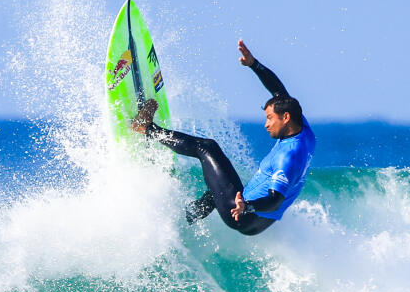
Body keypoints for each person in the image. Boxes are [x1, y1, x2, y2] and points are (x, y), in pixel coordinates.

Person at [131, 40, 315, 235]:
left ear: (285, 118)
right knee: (217, 187)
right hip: (254, 214)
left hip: (243, 217)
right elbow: (278, 91)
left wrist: (247, 206)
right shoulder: (303, 130)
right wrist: (254, 64)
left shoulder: (288, 156)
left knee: (206, 148)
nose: (266, 124)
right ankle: (187, 217)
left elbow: (275, 199)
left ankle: (146, 128)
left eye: (270, 118)